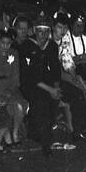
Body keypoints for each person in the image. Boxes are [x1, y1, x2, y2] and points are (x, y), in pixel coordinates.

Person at [23, 17, 62, 157]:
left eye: (46, 31)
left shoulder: (52, 46)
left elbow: (56, 68)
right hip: (32, 85)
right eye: (40, 31)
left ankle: (36, 132)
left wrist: (56, 88)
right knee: (42, 102)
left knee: (61, 96)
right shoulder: (27, 46)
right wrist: (51, 90)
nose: (43, 35)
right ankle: (46, 145)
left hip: (49, 84)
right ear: (34, 30)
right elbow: (30, 76)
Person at [0, 29, 30, 143]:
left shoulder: (14, 53)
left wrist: (11, 89)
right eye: (2, 43)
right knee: (7, 106)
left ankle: (15, 131)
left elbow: (16, 75)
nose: (5, 46)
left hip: (11, 88)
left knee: (20, 105)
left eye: (8, 43)